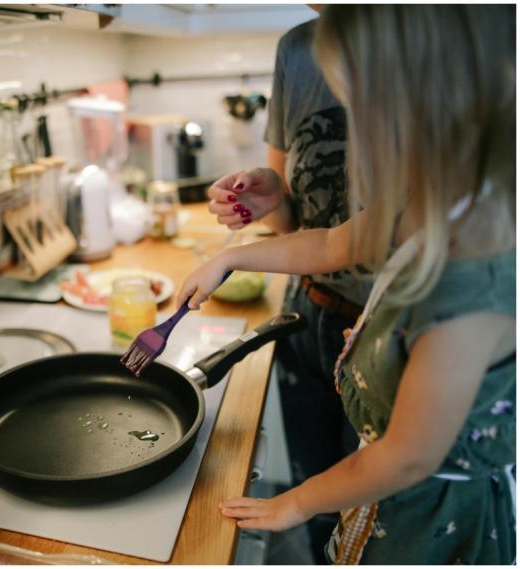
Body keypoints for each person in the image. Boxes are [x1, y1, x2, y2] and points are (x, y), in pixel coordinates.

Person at [180, 4, 515, 564]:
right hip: (383, 499)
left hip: (431, 523)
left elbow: (408, 456)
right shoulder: (430, 201)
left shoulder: (472, 282)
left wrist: (299, 502)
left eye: (366, 110)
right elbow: (332, 243)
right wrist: (231, 258)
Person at [207, 6, 362, 560]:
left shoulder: (450, 37)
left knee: (373, 522)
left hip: (394, 332)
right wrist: (267, 197)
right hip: (309, 314)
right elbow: (303, 226)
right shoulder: (298, 48)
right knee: (315, 503)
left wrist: (236, 261)